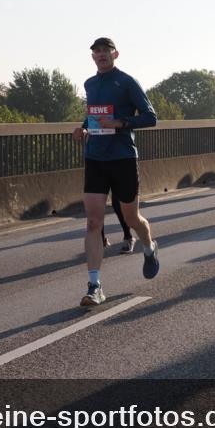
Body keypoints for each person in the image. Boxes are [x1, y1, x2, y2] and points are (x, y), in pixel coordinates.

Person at [73, 37, 159, 307]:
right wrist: (83, 128)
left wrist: (120, 122)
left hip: (122, 157)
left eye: (105, 51)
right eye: (96, 52)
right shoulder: (90, 83)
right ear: (92, 57)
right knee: (92, 222)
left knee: (131, 217)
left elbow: (150, 116)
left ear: (115, 54)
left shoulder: (127, 81)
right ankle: (95, 285)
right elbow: (93, 116)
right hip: (95, 157)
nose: (100, 55)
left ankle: (149, 246)